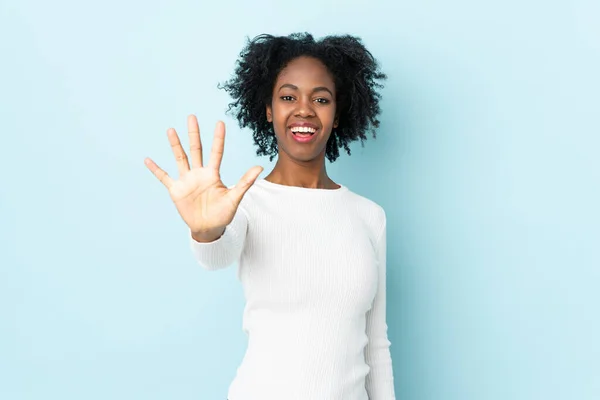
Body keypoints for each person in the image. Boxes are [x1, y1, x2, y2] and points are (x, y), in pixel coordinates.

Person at [144, 32, 395, 400]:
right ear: (268, 110)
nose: (304, 109)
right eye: (288, 97)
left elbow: (375, 342)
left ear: (337, 114)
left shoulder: (369, 216)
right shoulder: (245, 204)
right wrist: (206, 231)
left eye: (321, 99)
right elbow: (217, 255)